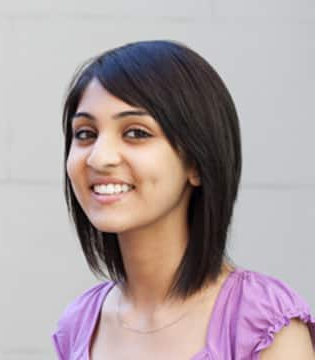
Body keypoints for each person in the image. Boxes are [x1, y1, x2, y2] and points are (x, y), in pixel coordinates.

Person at [52, 40, 315, 359]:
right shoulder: (79, 324)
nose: (98, 157)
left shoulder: (263, 325)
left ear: (196, 162)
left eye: (136, 132)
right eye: (85, 133)